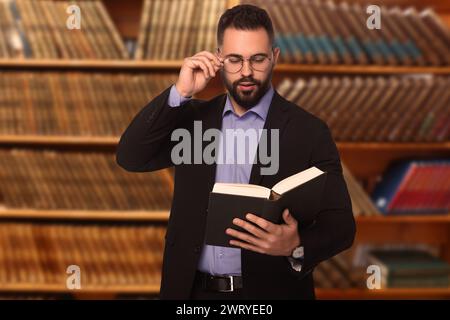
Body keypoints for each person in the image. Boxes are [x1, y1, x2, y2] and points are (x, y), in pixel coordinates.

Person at [116, 4, 355, 300]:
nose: (246, 72)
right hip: (192, 295)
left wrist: (296, 245)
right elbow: (130, 156)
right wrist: (180, 92)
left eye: (258, 59)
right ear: (218, 59)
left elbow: (342, 226)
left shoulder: (310, 131)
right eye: (234, 59)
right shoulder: (193, 121)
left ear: (275, 58)